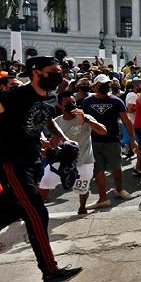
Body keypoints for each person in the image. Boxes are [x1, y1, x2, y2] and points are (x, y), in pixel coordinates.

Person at [0, 56, 83, 281]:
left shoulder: (51, 95)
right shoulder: (12, 96)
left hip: (33, 161)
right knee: (36, 213)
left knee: (14, 210)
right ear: (36, 72)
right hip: (13, 163)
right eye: (54, 70)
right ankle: (50, 271)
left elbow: (46, 118)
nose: (60, 74)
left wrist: (62, 138)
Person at [39, 92, 108, 215]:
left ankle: (82, 207)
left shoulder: (85, 117)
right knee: (45, 181)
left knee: (82, 188)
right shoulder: (57, 122)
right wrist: (46, 147)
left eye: (73, 102)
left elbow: (103, 131)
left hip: (84, 160)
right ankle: (37, 209)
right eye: (68, 104)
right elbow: (54, 143)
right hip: (63, 161)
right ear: (60, 106)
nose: (72, 106)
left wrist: (87, 120)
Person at [82, 74, 136, 209]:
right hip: (93, 141)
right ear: (94, 86)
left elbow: (127, 121)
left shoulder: (116, 101)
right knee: (98, 169)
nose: (105, 87)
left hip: (112, 140)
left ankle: (119, 189)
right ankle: (102, 198)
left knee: (117, 166)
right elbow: (81, 123)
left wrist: (132, 140)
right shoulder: (87, 102)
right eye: (101, 84)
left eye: (106, 84)